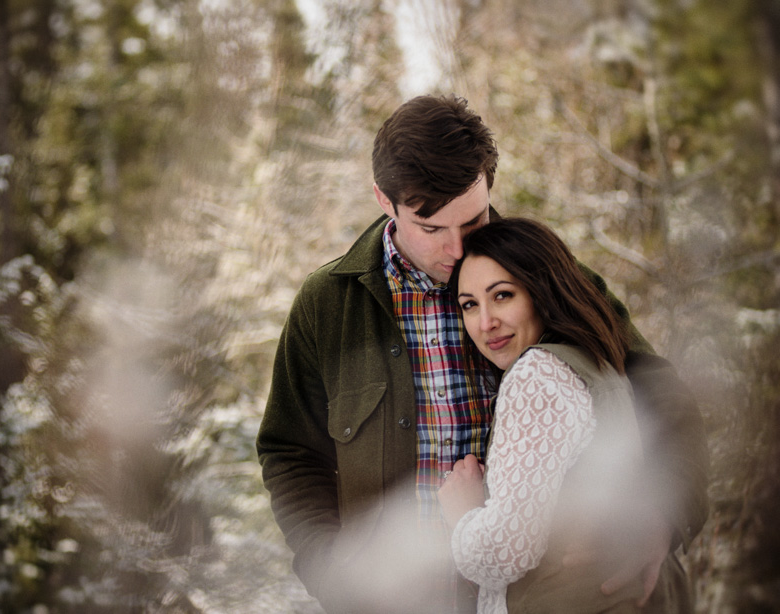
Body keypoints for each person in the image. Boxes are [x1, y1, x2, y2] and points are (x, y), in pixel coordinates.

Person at [256, 94, 708, 613]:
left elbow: (661, 392)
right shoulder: (328, 306)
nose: (456, 249)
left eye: (472, 221)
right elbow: (290, 454)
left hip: (541, 597)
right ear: (385, 200)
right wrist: (334, 573)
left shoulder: (542, 277)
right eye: (431, 229)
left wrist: (661, 520)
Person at [438, 217, 694, 613]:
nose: (485, 322)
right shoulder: (596, 360)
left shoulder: (536, 375)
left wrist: (463, 513)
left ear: (542, 292)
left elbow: (507, 551)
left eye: (502, 296)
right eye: (470, 305)